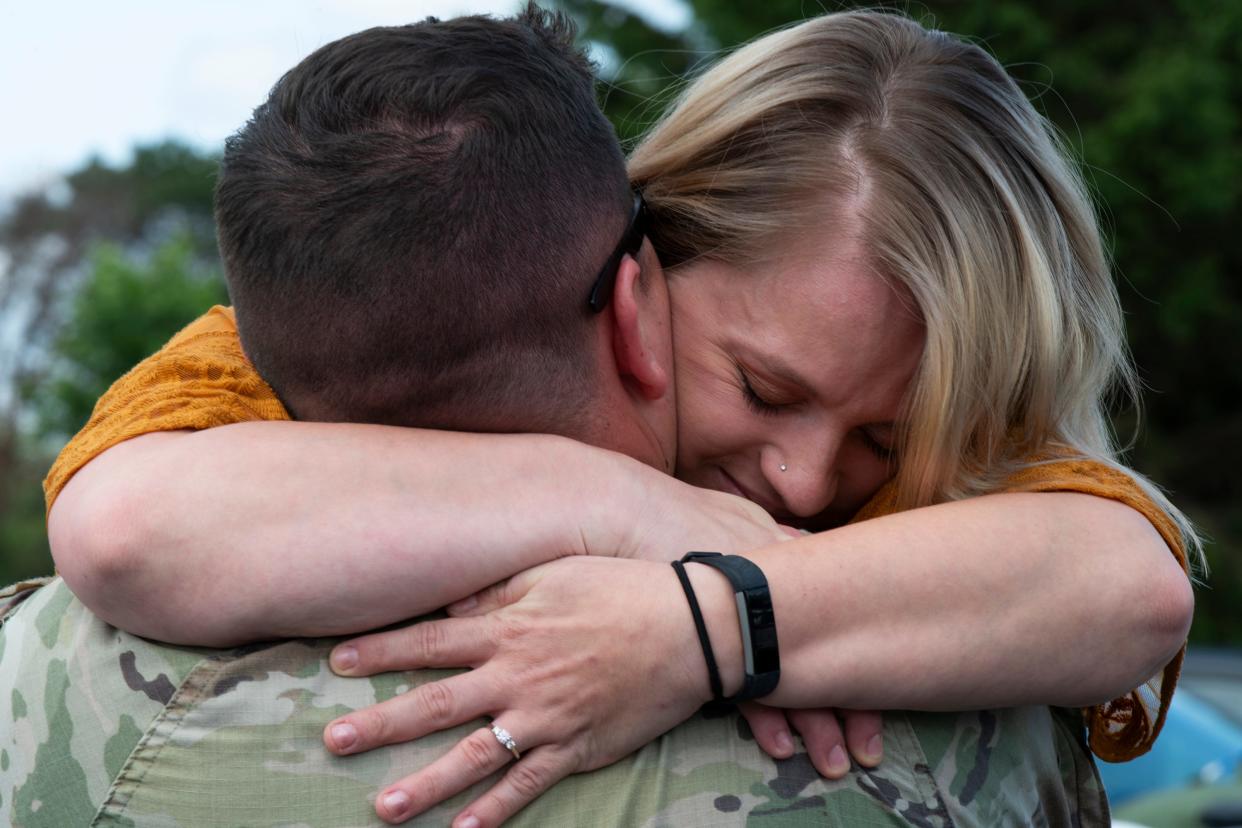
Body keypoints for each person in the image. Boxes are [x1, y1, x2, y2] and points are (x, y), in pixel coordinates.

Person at [24, 6, 1194, 827]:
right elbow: (133, 525)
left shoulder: (962, 445)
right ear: (646, 259)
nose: (801, 480)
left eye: (887, 440)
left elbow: (1125, 585)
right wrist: (622, 501)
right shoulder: (426, 312)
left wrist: (701, 626)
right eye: (764, 387)